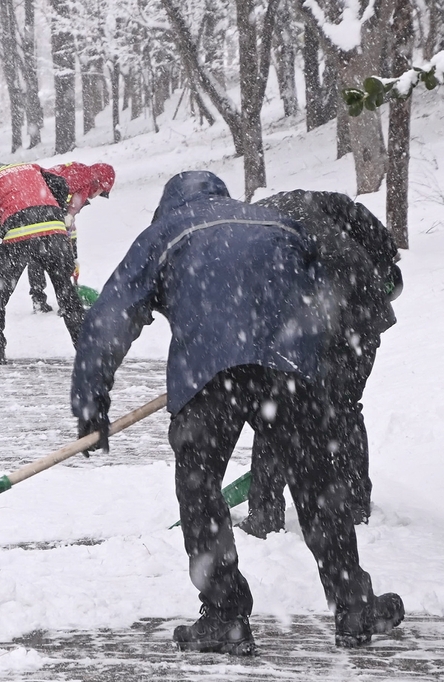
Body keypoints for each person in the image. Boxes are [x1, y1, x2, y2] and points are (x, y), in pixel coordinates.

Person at [70, 171, 404, 654]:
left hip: (208, 374)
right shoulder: (273, 221)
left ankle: (225, 615)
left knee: (200, 486)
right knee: (316, 485)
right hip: (289, 366)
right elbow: (328, 293)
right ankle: (354, 606)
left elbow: (110, 316)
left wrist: (92, 406)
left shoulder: (168, 231)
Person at [236, 191, 403, 538]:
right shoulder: (316, 204)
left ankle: (264, 514)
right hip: (359, 316)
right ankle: (355, 504)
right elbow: (380, 242)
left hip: (322, 317)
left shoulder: (248, 239)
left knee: (276, 410)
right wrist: (381, 270)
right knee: (343, 407)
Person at [0, 160, 84, 364]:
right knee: (66, 292)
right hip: (55, 230)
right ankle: (86, 347)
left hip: (20, 231)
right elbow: (60, 184)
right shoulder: (28, 167)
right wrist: (54, 209)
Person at [27, 162, 116, 313]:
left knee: (37, 256)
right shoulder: (84, 181)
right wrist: (70, 256)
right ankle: (66, 301)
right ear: (99, 182)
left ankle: (40, 299)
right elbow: (67, 214)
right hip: (46, 216)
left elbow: (68, 216)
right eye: (101, 191)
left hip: (33, 208)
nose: (98, 195)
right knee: (54, 258)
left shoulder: (78, 171)